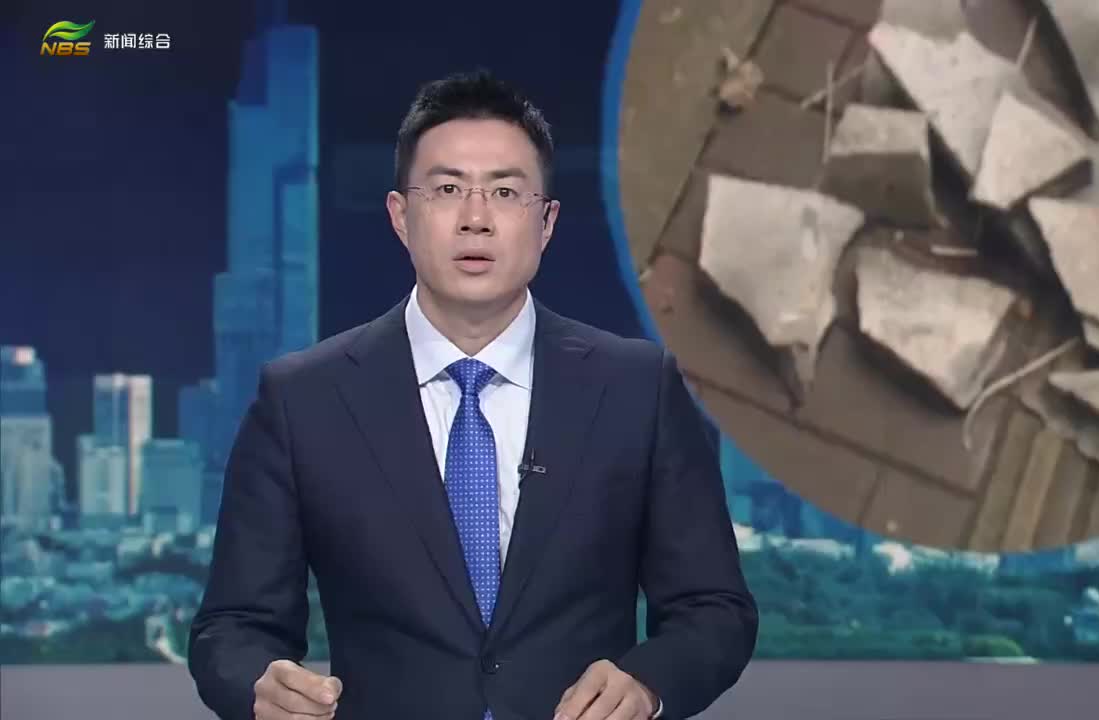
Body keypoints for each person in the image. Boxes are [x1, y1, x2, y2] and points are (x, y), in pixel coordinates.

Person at [188, 69, 758, 720]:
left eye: (506, 192)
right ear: (401, 217)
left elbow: (714, 609)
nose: (476, 219)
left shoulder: (636, 388)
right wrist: (259, 686)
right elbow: (232, 626)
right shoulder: (304, 399)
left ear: (546, 222)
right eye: (447, 189)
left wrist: (647, 684)